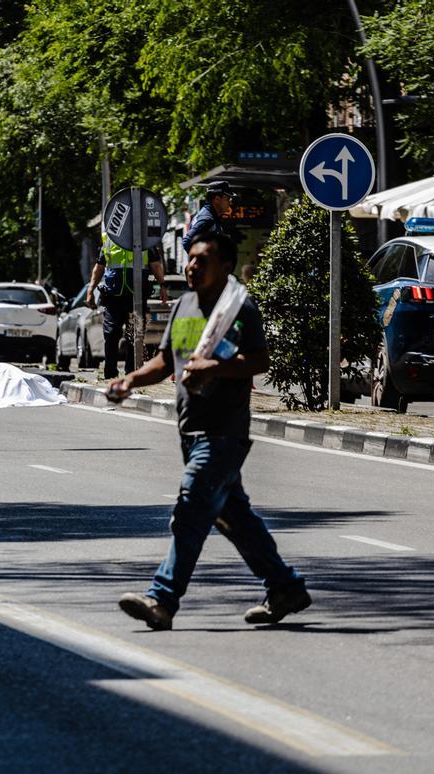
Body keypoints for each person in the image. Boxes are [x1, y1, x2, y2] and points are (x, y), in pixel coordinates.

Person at [109, 228, 310, 630]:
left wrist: (216, 366)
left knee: (189, 510)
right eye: (191, 258)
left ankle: (162, 600)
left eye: (203, 259)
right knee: (234, 517)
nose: (193, 265)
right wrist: (131, 380)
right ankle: (285, 586)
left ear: (225, 266)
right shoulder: (184, 305)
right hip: (190, 431)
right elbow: (166, 362)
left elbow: (259, 361)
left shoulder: (238, 309)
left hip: (223, 434)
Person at [86, 232, 167, 379]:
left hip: (137, 296)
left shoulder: (144, 239)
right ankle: (110, 374)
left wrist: (163, 285)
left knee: (135, 335)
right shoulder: (109, 239)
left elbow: (155, 264)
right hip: (113, 296)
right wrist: (90, 290)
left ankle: (132, 374)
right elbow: (99, 267)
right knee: (111, 334)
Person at [181, 180, 236, 253]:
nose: (230, 202)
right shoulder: (207, 219)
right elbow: (186, 242)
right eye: (228, 199)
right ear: (217, 199)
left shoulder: (211, 215)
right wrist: (202, 262)